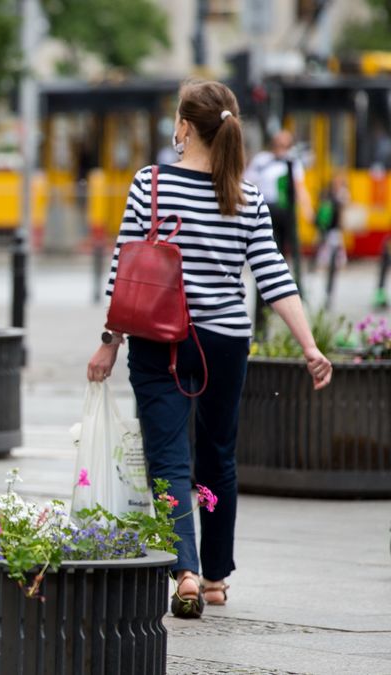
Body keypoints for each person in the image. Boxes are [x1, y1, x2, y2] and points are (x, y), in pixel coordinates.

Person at [87, 80, 333, 620]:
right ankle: (218, 576)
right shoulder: (245, 198)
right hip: (223, 342)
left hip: (159, 339)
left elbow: (124, 271)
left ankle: (186, 570)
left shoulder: (149, 184)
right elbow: (273, 275)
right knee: (218, 455)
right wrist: (310, 346)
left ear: (183, 126)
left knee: (169, 458)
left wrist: (110, 342)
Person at [245, 129, 311, 285]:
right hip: (267, 209)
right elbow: (248, 181)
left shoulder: (292, 162)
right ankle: (266, 295)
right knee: (269, 251)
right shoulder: (262, 160)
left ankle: (296, 287)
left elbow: (299, 187)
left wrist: (307, 209)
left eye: (285, 144)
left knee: (293, 252)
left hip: (287, 211)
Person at [313, 174, 349, 309]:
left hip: (329, 234)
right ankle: (326, 292)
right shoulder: (337, 198)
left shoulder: (327, 195)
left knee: (328, 263)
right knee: (331, 264)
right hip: (332, 234)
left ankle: (326, 292)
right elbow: (339, 218)